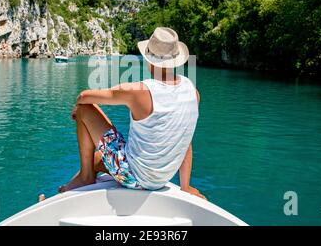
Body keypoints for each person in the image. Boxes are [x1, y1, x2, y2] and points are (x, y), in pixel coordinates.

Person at [40, 27, 205, 202]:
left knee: (84, 109)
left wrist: (78, 107)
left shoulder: (139, 91)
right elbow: (185, 140)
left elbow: (84, 96)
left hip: (134, 177)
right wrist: (185, 186)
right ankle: (68, 188)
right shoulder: (192, 92)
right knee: (97, 159)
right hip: (161, 179)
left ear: (149, 59)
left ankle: (84, 179)